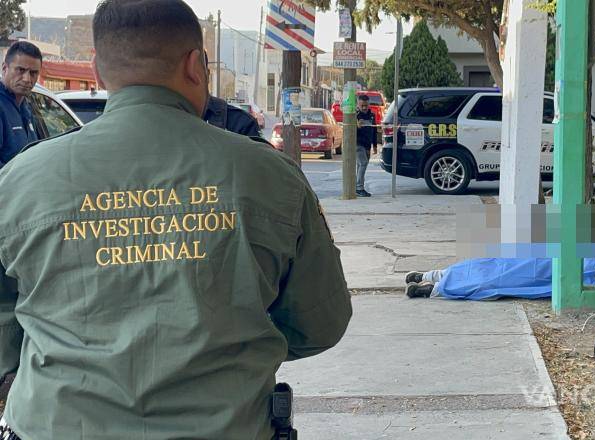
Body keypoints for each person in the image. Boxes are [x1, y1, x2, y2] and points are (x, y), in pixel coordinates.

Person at [0, 1, 352, 439]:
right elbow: (321, 321)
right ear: (195, 65)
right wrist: (224, 347)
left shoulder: (19, 180)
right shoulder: (268, 175)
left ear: (96, 70)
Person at [404, 258, 595, 300]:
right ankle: (431, 277)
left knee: (492, 281)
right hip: (545, 261)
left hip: (551, 271)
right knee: (485, 267)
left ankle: (432, 288)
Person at [0, 41, 41, 168]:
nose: (27, 79)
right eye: (20, 70)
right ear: (4, 68)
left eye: (33, 73)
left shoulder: (26, 107)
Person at [356, 94, 377, 197]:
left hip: (367, 145)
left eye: (366, 105)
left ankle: (357, 187)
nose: (364, 108)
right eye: (362, 105)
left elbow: (374, 130)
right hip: (357, 144)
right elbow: (349, 131)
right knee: (363, 163)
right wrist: (357, 126)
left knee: (361, 165)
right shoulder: (355, 116)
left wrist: (375, 146)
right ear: (358, 104)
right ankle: (359, 188)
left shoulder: (372, 115)